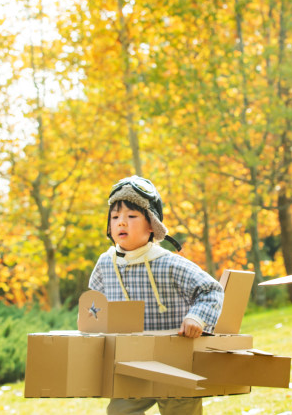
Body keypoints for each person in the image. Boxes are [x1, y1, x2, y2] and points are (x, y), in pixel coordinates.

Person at [89, 175, 224, 415]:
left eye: (131, 217)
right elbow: (94, 304)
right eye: (115, 217)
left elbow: (211, 290)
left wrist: (197, 318)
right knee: (120, 412)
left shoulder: (169, 264)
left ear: (152, 224)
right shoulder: (105, 264)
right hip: (130, 362)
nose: (122, 223)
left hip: (175, 361)